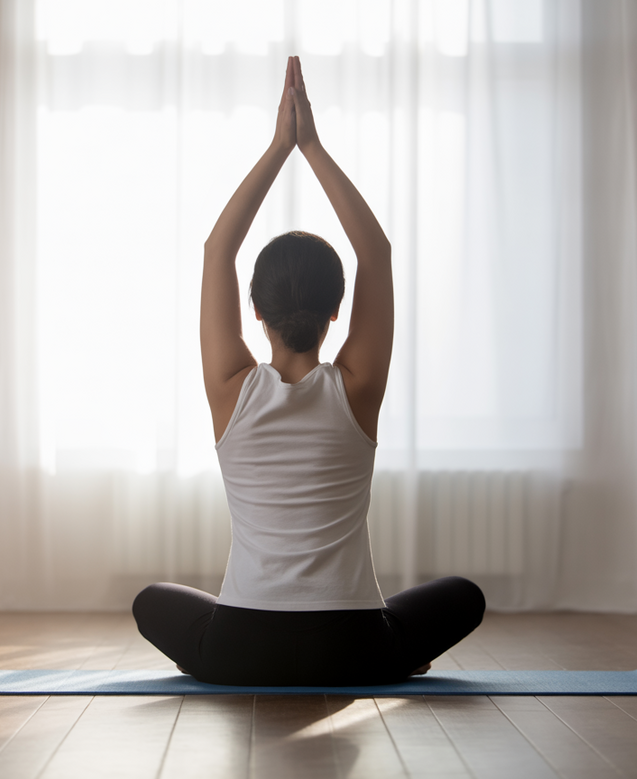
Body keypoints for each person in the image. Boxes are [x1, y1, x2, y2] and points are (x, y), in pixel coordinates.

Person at [133, 56, 484, 686]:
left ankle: (233, 647)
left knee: (151, 599)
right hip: (355, 648)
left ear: (255, 311)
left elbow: (218, 250)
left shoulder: (231, 391)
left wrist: (279, 148)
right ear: (337, 311)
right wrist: (313, 148)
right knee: (464, 595)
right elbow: (375, 251)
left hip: (239, 647)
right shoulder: (357, 389)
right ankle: (400, 656)